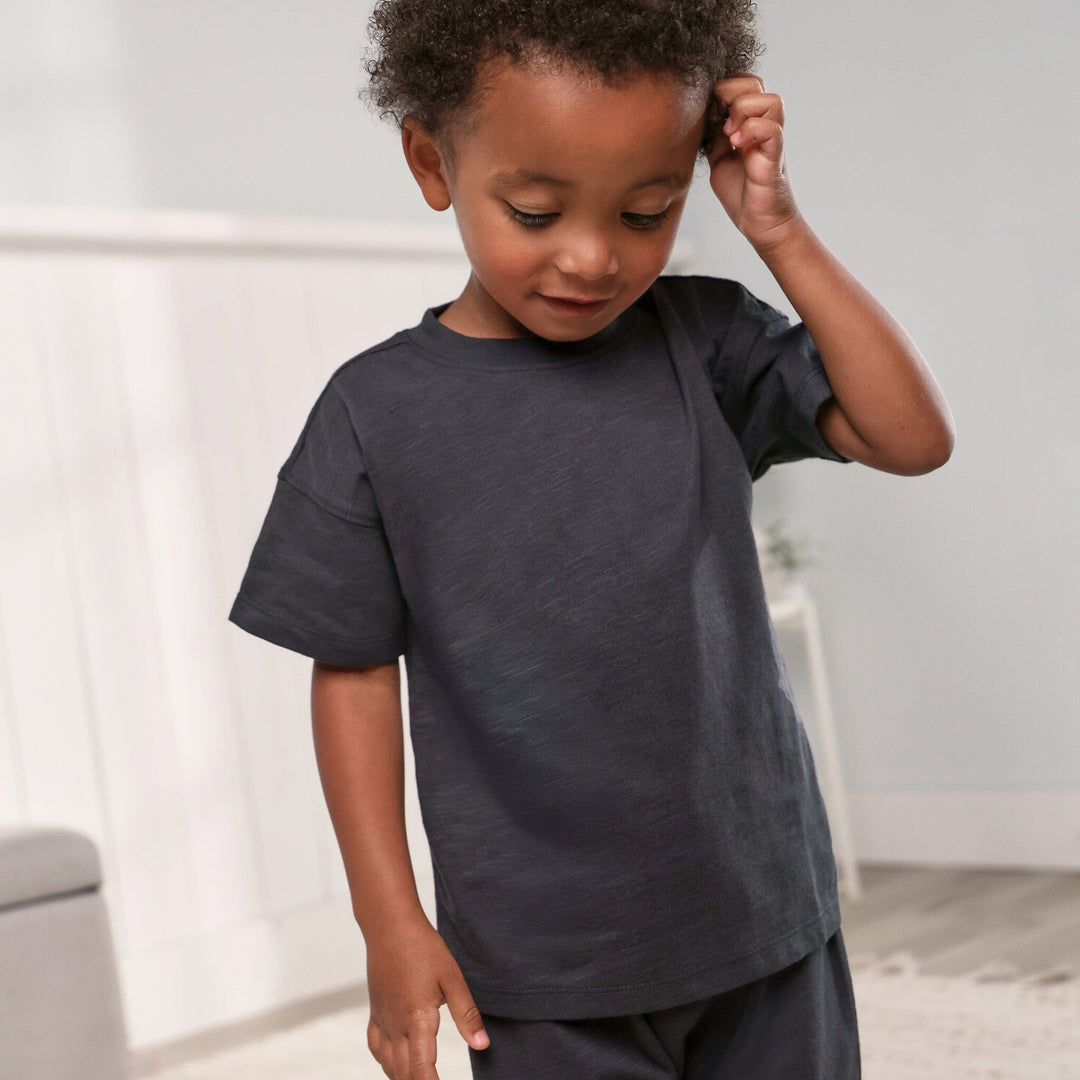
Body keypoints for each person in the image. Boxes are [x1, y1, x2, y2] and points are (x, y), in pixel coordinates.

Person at [227, 1, 955, 1077]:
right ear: (431, 161)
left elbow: (912, 437)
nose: (592, 257)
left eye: (646, 212)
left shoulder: (704, 343)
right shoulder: (373, 415)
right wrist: (391, 922)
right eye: (534, 212)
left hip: (761, 925)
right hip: (541, 973)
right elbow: (353, 675)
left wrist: (780, 231)